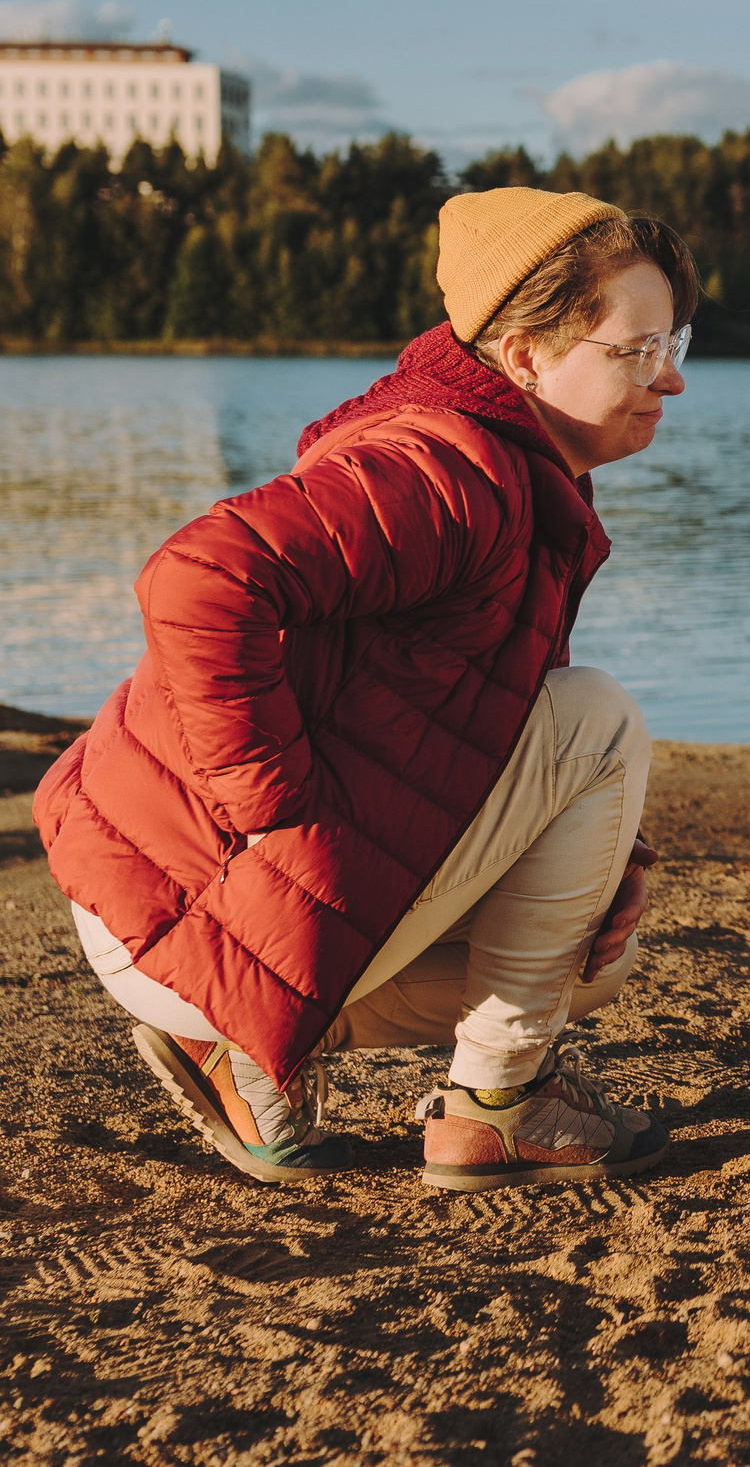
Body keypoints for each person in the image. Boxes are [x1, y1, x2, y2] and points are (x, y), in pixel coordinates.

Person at [37, 186, 692, 1191]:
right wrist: (272, 806)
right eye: (638, 350)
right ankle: (499, 1106)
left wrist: (606, 856)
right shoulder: (446, 473)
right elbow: (197, 581)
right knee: (600, 721)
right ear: (524, 355)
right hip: (186, 906)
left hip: (176, 911)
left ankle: (243, 1051)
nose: (671, 378)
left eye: (673, 343)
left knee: (597, 957)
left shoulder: (507, 467)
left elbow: (484, 715)